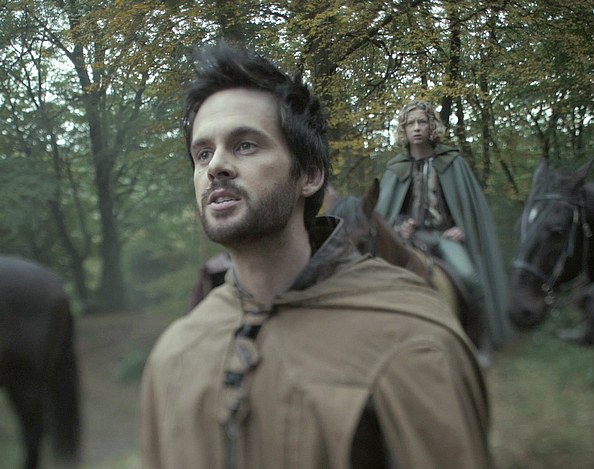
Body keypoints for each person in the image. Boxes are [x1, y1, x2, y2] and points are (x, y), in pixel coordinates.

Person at [140, 43, 491, 469]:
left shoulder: (413, 341)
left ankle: (486, 337)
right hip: (406, 229)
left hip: (443, 234)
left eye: (245, 145)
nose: (216, 166)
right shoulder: (174, 354)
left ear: (309, 175)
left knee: (467, 277)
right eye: (202, 154)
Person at [375, 100, 514, 360]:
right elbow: (386, 213)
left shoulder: (453, 163)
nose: (417, 128)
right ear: (403, 129)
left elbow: (468, 209)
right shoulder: (396, 168)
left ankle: (479, 342)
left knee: (471, 279)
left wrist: (462, 228)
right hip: (411, 240)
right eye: (410, 123)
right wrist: (400, 225)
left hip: (444, 236)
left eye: (422, 122)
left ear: (432, 126)